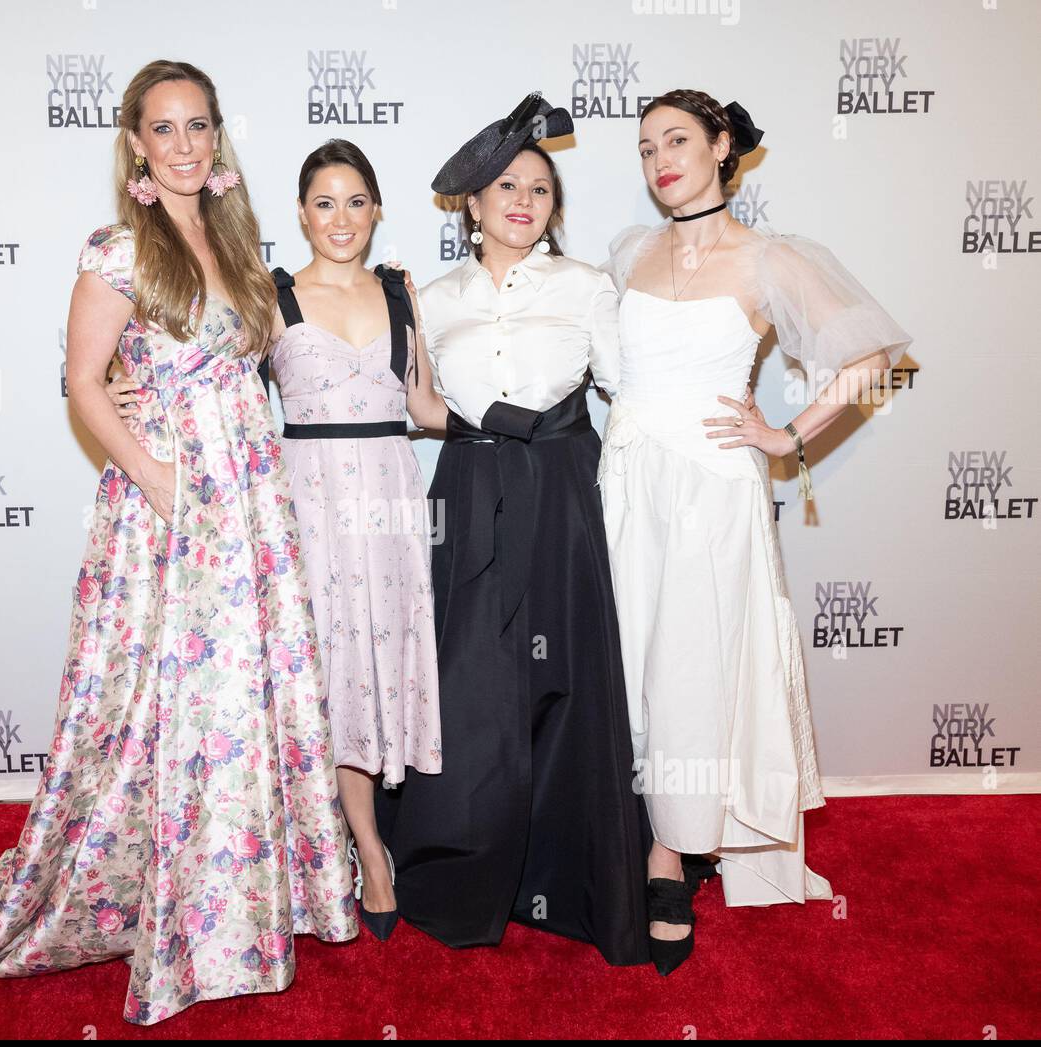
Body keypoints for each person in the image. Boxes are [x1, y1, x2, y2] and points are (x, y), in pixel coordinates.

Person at [0, 60, 357, 1024]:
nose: (186, 145)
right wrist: (155, 478)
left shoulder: (236, 240)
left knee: (240, 692)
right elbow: (81, 381)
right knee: (164, 696)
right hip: (171, 502)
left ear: (216, 137)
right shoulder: (118, 249)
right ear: (137, 146)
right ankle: (172, 905)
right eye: (166, 129)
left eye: (200, 126)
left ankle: (239, 900)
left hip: (248, 495)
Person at [597, 89, 913, 973]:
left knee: (693, 665)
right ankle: (639, 824)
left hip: (711, 491)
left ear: (721, 145)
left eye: (679, 139)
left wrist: (784, 438)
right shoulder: (628, 252)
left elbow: (871, 357)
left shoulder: (769, 258)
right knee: (629, 661)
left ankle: (674, 854)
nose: (661, 157)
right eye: (647, 144)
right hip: (625, 483)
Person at [109, 139, 447, 942]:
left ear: (376, 211)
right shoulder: (269, 292)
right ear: (301, 214)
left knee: (373, 670)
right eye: (324, 203)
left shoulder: (403, 291)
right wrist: (122, 385)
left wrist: (522, 433)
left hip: (391, 500)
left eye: (356, 202)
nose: (341, 219)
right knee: (317, 672)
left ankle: (357, 840)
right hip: (306, 499)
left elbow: (427, 405)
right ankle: (356, 846)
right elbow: (202, 364)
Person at [374, 93, 652, 968]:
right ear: (473, 204)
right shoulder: (435, 295)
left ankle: (568, 874)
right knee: (471, 683)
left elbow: (630, 393)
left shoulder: (587, 286)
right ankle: (464, 869)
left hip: (563, 484)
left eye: (539, 187)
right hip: (470, 481)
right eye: (506, 186)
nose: (523, 200)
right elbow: (420, 408)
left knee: (567, 677)